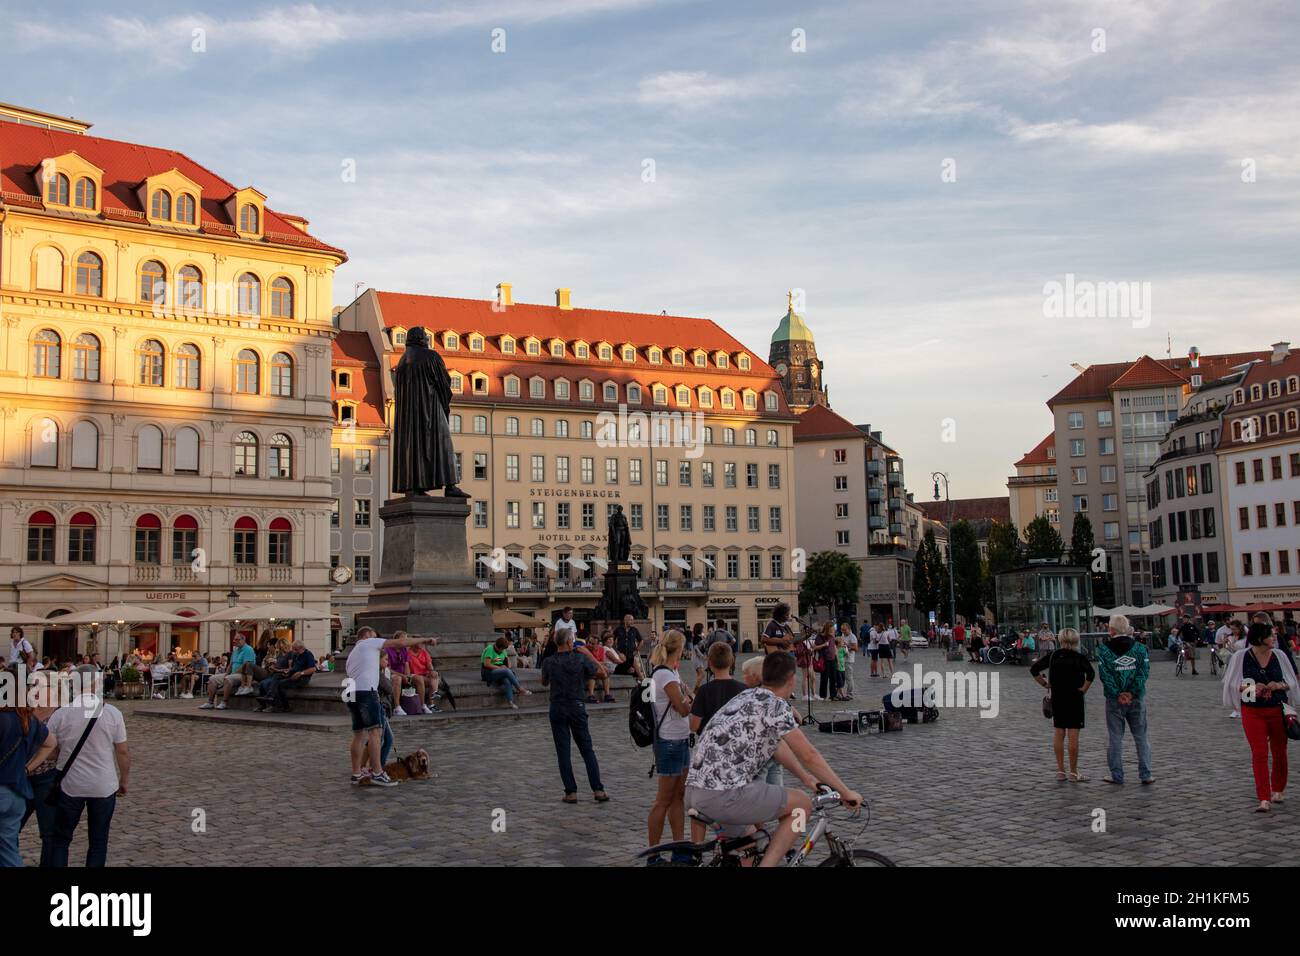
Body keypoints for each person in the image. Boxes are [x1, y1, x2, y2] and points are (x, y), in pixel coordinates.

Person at [684, 652, 863, 868]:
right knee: (801, 805)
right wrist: (845, 792)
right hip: (725, 794)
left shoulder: (747, 696)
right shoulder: (776, 705)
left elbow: (778, 746)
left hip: (696, 790)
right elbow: (808, 754)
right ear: (791, 679)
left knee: (752, 845)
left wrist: (808, 780)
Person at [45, 666, 129, 867]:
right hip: (103, 784)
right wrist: (124, 780)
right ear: (96, 683)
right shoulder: (112, 713)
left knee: (61, 841)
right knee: (98, 842)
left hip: (71, 784)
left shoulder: (61, 714)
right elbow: (123, 752)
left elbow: (49, 749)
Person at [1223, 622, 1299, 811]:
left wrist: (1279, 685)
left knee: (1279, 751)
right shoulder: (1241, 657)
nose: (1274, 638)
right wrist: (1251, 687)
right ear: (1259, 638)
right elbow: (1231, 683)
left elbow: (1292, 681)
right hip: (1253, 711)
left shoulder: (1279, 656)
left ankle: (1278, 789)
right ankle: (1263, 797)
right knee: (1259, 753)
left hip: (1277, 710)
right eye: (1270, 635)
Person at [346, 627, 434, 788]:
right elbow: (400, 642)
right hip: (366, 692)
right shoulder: (369, 643)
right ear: (367, 636)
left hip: (351, 693)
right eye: (375, 636)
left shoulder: (352, 653)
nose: (378, 640)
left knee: (358, 734)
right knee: (375, 732)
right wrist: (424, 640)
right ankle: (378, 773)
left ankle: (356, 772)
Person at [540, 629, 609, 804]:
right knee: (587, 749)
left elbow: (544, 681)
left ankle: (570, 792)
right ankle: (598, 790)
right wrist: (588, 654)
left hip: (557, 707)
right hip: (576, 706)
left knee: (563, 752)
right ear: (570, 642)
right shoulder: (580, 658)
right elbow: (603, 673)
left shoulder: (549, 661)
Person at [687, 643, 746, 842]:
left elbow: (694, 726)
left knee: (699, 805)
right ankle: (737, 844)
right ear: (731, 662)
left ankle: (697, 848)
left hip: (708, 756)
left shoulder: (704, 691)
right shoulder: (743, 690)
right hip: (734, 754)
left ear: (709, 664)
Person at [1, 666, 58, 868]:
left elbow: (53, 745)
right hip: (17, 787)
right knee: (8, 845)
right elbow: (50, 742)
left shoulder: (8, 717)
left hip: (17, 786)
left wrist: (27, 767)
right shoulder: (26, 716)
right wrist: (25, 767)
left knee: (11, 846)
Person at [645, 630, 693, 865]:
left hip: (681, 738)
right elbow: (684, 708)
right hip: (669, 741)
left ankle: (679, 848)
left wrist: (688, 698)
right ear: (678, 648)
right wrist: (688, 699)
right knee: (663, 799)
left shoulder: (671, 672)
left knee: (678, 797)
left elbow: (686, 701)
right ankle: (653, 854)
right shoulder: (665, 675)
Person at [1030, 628, 1094, 781]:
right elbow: (1091, 674)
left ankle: (1060, 771)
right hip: (1075, 698)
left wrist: (1045, 684)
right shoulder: (1079, 657)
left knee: (1059, 733)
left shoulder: (1053, 656)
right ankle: (1073, 772)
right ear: (1076, 640)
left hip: (1058, 697)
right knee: (1073, 735)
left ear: (1061, 640)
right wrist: (1083, 689)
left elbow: (1034, 669)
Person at [1095, 614, 1153, 786]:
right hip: (1136, 698)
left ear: (1111, 629)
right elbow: (1143, 673)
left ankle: (1117, 775)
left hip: (1114, 700)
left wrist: (1118, 693)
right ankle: (1146, 774)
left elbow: (1105, 675)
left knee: (1115, 737)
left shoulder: (1104, 650)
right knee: (1141, 736)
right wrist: (1132, 692)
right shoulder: (1140, 649)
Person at [256, 640, 316, 713]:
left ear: (301, 648)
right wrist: (287, 672)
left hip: (301, 678)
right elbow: (292, 667)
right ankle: (270, 696)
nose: (294, 651)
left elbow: (313, 669)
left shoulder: (308, 654)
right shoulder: (296, 655)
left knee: (280, 684)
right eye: (293, 649)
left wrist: (301, 673)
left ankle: (283, 706)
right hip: (292, 674)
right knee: (276, 676)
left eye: (295, 649)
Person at [200, 634, 257, 710]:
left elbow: (246, 666)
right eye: (234, 640)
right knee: (212, 679)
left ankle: (224, 702)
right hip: (233, 674)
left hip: (243, 675)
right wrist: (226, 674)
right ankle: (210, 702)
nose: (235, 641)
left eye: (237, 640)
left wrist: (228, 676)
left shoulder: (248, 650)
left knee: (228, 679)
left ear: (243, 640)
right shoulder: (235, 651)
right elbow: (230, 665)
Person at [481, 635, 530, 710]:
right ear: (498, 647)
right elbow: (486, 664)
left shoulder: (503, 650)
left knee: (507, 680)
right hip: (488, 672)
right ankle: (520, 689)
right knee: (506, 671)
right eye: (502, 649)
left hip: (500, 670)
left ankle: (510, 702)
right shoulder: (490, 649)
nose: (503, 651)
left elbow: (508, 661)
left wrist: (507, 667)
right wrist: (501, 668)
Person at [407, 639, 442, 713]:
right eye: (419, 644)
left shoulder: (424, 652)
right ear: (413, 644)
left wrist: (432, 670)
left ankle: (432, 701)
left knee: (434, 675)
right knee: (430, 680)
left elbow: (429, 664)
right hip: (413, 675)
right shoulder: (408, 653)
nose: (421, 646)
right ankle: (428, 703)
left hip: (425, 675)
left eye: (422, 644)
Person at [583, 633, 616, 703]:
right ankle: (591, 695)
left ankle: (607, 695)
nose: (591, 645)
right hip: (586, 669)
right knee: (593, 671)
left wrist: (601, 667)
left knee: (605, 671)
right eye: (590, 643)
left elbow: (603, 662)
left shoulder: (601, 649)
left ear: (598, 644)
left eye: (593, 644)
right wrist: (599, 665)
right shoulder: (584, 648)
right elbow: (587, 662)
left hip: (598, 668)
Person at [612, 614, 643, 678]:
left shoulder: (634, 630)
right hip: (621, 654)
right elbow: (612, 640)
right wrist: (617, 652)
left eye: (632, 620)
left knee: (633, 670)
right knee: (630, 669)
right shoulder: (618, 629)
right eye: (630, 620)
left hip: (631, 654)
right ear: (625, 620)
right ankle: (641, 679)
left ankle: (639, 681)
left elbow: (641, 641)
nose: (632, 622)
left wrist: (636, 650)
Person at [814, 622, 838, 702]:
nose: (832, 632)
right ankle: (823, 695)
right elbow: (815, 647)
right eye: (831, 630)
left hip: (832, 659)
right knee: (824, 678)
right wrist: (824, 645)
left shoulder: (832, 637)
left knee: (833, 678)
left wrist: (836, 659)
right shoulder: (820, 637)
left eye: (833, 630)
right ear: (827, 629)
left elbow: (834, 647)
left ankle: (833, 695)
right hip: (824, 660)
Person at [839, 622, 858, 698]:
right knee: (843, 677)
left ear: (849, 629)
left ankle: (850, 693)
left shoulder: (852, 636)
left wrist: (847, 647)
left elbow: (856, 648)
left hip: (849, 659)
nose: (843, 631)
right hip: (842, 659)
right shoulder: (843, 635)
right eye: (842, 630)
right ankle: (842, 693)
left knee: (848, 677)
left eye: (845, 630)